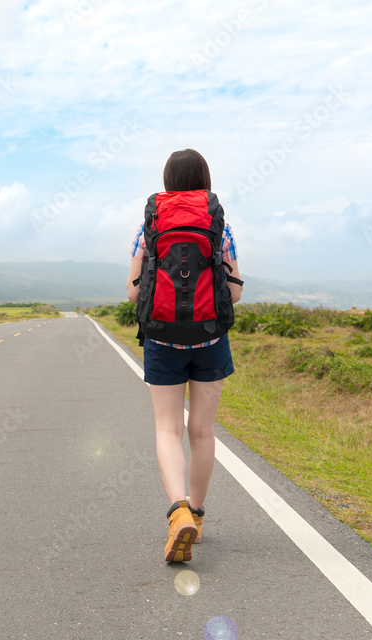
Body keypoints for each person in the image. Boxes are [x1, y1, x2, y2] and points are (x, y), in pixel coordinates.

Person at [126, 149, 243, 562]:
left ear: (168, 180)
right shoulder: (218, 227)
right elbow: (233, 293)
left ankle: (177, 513)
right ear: (205, 179)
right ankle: (196, 511)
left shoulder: (149, 228)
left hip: (162, 340)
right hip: (210, 340)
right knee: (202, 432)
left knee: (167, 429)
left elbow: (135, 291)